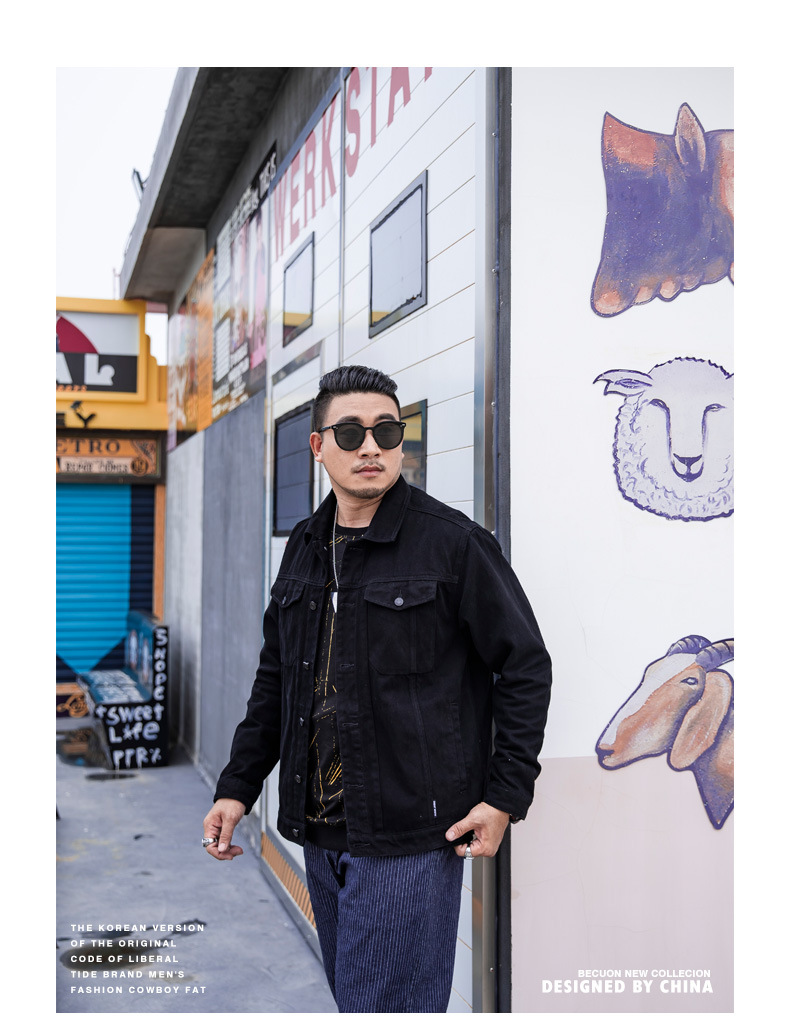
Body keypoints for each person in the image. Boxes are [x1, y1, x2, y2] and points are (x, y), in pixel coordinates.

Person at [203, 364, 551, 1013]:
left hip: (409, 837)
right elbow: (278, 677)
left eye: (386, 431)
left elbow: (525, 666)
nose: (371, 446)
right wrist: (237, 785)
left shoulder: (452, 544)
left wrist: (504, 796)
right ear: (318, 445)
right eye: (351, 432)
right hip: (321, 830)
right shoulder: (305, 545)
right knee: (356, 1001)